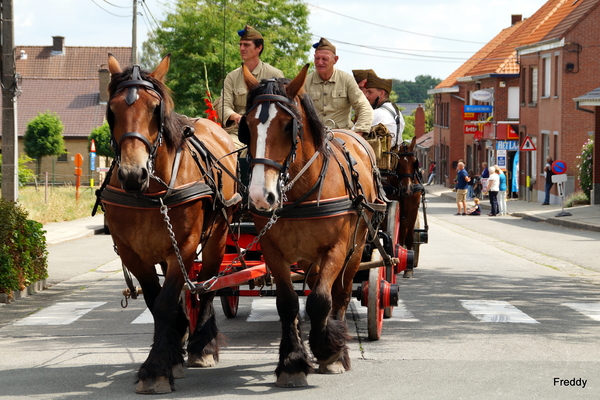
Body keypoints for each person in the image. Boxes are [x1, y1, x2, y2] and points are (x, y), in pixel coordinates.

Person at [216, 24, 284, 148]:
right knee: (223, 150)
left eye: (247, 45)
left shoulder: (274, 74)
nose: (242, 48)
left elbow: (282, 109)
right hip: (238, 133)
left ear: (259, 48)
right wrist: (236, 116)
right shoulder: (232, 77)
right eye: (240, 44)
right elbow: (224, 106)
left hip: (267, 133)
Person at [304, 38, 373, 135]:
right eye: (317, 58)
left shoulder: (346, 80)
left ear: (335, 60)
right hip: (313, 137)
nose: (319, 62)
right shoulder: (305, 81)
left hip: (341, 137)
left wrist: (357, 134)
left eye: (324, 59)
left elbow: (364, 107)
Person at [364, 73, 405, 147]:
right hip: (393, 156)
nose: (366, 96)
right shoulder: (397, 113)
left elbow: (351, 135)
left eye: (370, 92)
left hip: (375, 157)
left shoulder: (376, 113)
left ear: (381, 93)